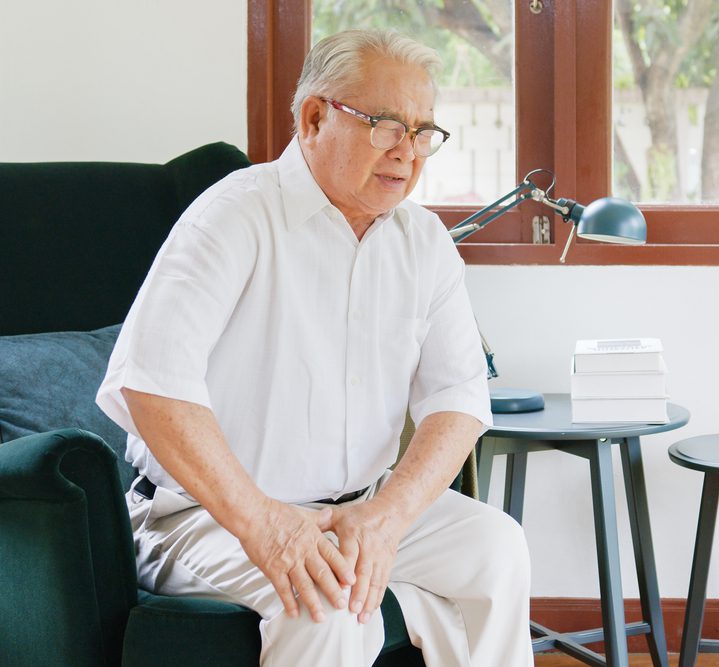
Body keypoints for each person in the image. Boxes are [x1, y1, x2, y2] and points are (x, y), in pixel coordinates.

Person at [97, 28, 533, 666]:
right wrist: (266, 525)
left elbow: (459, 397)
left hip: (356, 510)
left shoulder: (426, 242)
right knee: (326, 605)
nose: (406, 153)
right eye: (386, 126)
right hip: (205, 516)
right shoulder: (233, 217)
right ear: (313, 118)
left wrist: (385, 517)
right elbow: (153, 385)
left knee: (496, 547)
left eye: (422, 133)